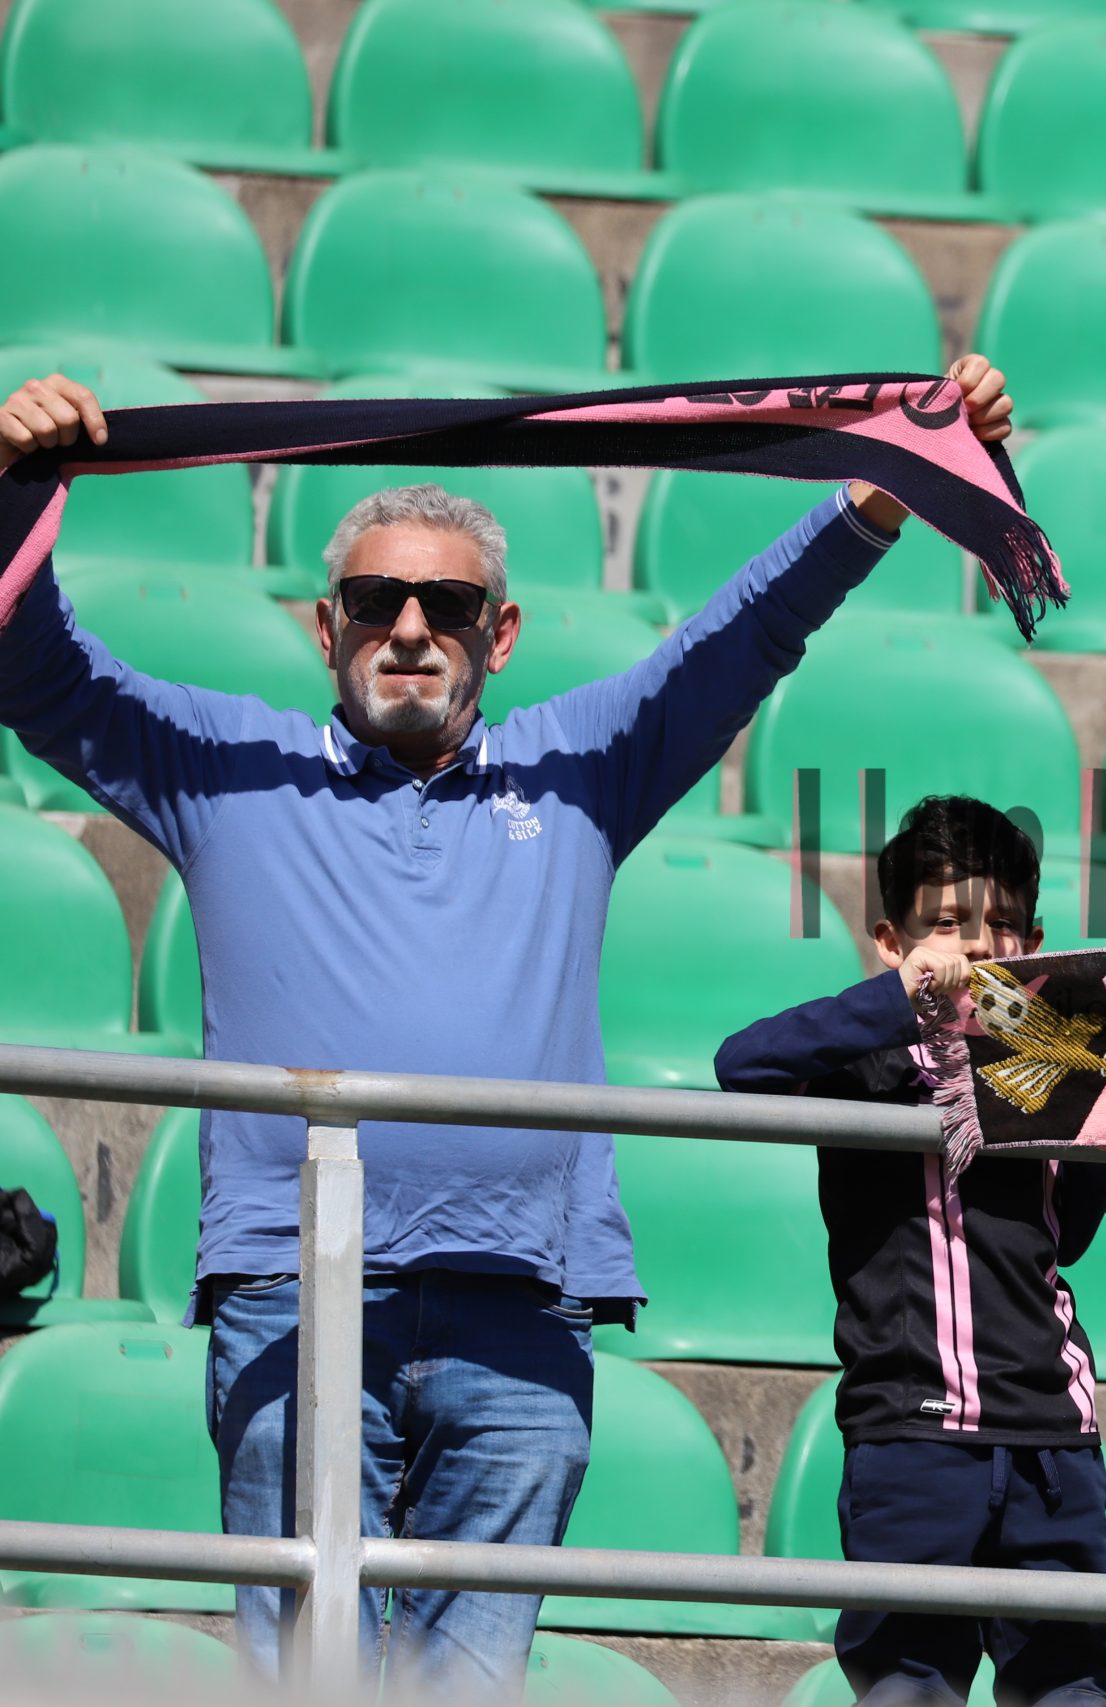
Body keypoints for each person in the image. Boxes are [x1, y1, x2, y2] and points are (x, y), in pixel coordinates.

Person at [0, 360, 1015, 1692]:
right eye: (376, 599)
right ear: (326, 628)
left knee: (465, 1687)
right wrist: (19, 483)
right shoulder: (222, 759)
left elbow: (741, 642)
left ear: (505, 630)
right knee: (310, 1673)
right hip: (294, 1294)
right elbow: (33, 670)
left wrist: (883, 488)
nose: (410, 625)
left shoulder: (582, 763)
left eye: (448, 601)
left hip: (525, 1307)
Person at [714, 796, 1106, 1707]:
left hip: (1056, 1437)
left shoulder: (1056, 1065)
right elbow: (742, 1065)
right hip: (912, 1432)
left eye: (1004, 926)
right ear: (893, 942)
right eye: (947, 925)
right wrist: (897, 1002)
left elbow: (1073, 1235)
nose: (978, 949)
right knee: (908, 1684)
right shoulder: (864, 1059)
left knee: (1067, 1687)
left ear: (1036, 940)